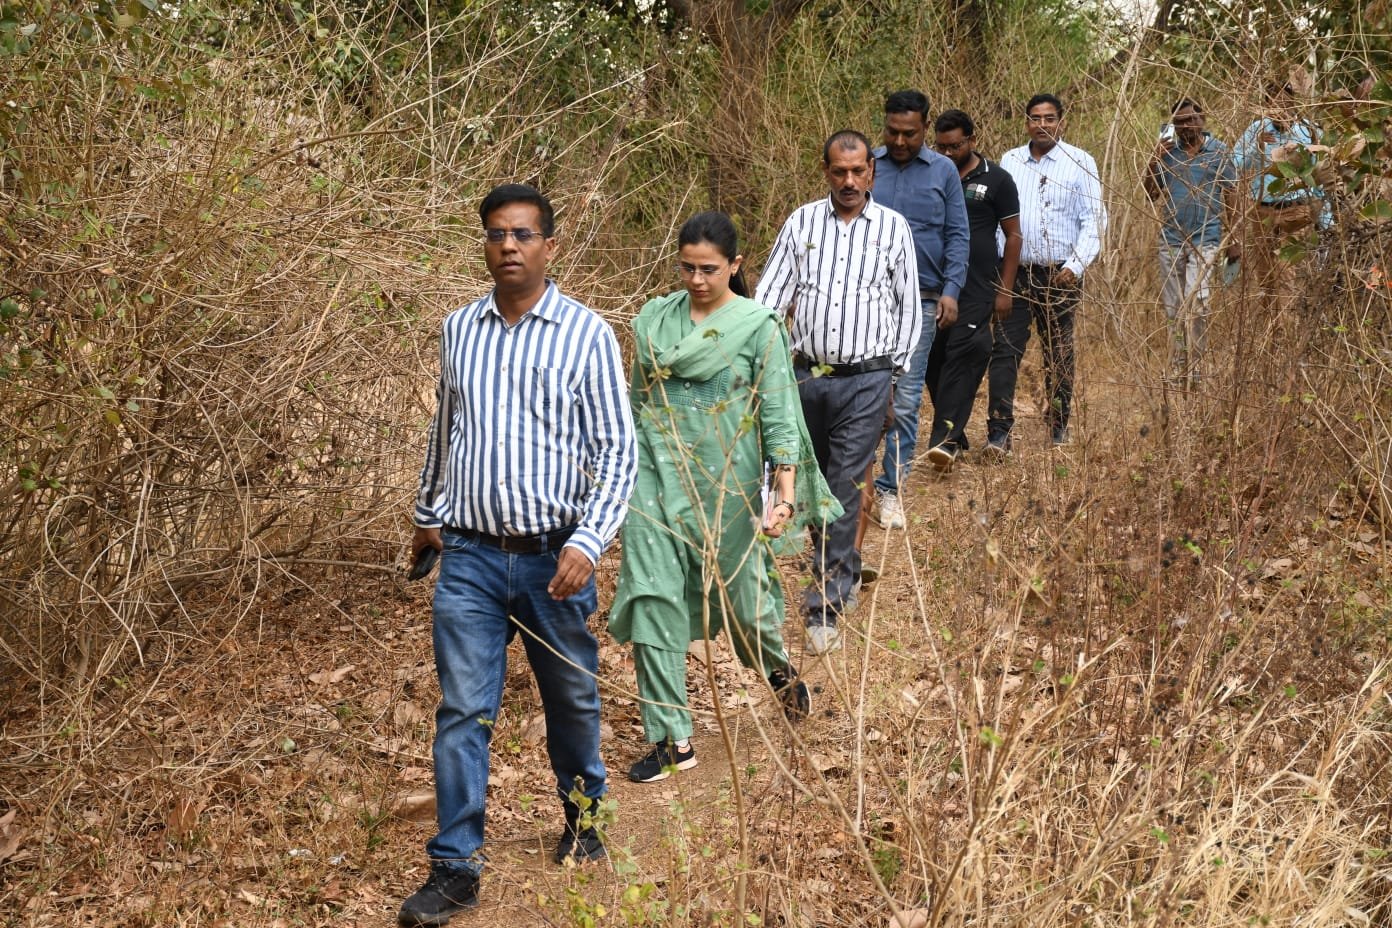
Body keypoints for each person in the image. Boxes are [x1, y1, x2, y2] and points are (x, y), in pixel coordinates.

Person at [400, 183, 637, 926]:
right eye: (498, 234)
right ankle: (455, 866)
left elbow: (619, 450)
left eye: (525, 234)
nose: (510, 245)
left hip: (552, 559)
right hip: (469, 556)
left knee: (570, 698)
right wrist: (426, 514)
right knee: (464, 709)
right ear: (484, 243)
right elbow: (447, 433)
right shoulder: (457, 330)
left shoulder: (587, 335)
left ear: (550, 246)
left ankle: (584, 815)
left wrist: (588, 541)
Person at [609, 211, 839, 782]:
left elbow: (779, 414)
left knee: (743, 605)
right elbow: (637, 404)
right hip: (653, 481)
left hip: (725, 487)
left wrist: (782, 497)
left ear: (734, 266)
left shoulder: (758, 326)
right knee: (651, 598)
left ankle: (778, 670)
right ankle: (672, 740)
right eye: (685, 267)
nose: (695, 279)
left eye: (708, 269)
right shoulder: (654, 320)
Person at [756, 130, 921, 655]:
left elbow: (908, 311)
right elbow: (769, 299)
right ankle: (843, 568)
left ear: (871, 172)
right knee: (813, 484)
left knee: (846, 485)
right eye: (838, 173)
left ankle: (823, 605)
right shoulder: (801, 223)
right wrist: (762, 364)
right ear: (825, 172)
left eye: (857, 172)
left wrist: (893, 380)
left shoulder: (893, 228)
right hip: (806, 376)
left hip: (868, 378)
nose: (848, 182)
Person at [867, 90, 969, 526]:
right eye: (892, 131)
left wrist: (951, 290)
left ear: (925, 128)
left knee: (906, 399)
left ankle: (890, 490)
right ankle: (854, 490)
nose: (900, 140)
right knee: (865, 396)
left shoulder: (944, 171)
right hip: (866, 300)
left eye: (909, 133)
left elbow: (957, 234)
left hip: (924, 301)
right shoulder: (866, 165)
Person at [986, 93, 1105, 451]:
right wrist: (1000, 266)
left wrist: (1075, 266)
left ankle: (1058, 425)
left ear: (1061, 121)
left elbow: (1094, 220)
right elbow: (998, 220)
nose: (1042, 125)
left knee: (1059, 351)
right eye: (1035, 118)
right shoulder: (1010, 161)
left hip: (1060, 276)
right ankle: (999, 432)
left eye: (1049, 118)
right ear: (1026, 122)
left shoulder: (1080, 162)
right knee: (1005, 350)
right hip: (1017, 274)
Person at [922, 108, 1022, 466]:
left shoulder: (997, 179)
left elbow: (1013, 237)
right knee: (933, 358)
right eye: (942, 146)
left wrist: (1005, 290)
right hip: (935, 281)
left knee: (964, 356)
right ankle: (956, 427)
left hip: (978, 284)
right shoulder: (930, 174)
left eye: (955, 145)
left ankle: (945, 440)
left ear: (972, 140)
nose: (948, 153)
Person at [1143, 98, 1241, 385]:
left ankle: (1195, 370)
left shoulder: (1219, 152)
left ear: (1202, 119)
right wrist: (1154, 160)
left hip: (1206, 240)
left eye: (1191, 119)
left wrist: (1235, 238)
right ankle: (1177, 367)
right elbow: (1150, 195)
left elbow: (1231, 194)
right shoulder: (1168, 154)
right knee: (1174, 307)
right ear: (1173, 125)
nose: (1187, 126)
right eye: (1180, 121)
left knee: (1197, 303)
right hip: (1171, 239)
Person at [1233, 72, 1327, 315]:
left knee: (1287, 275)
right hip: (1263, 211)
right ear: (1266, 106)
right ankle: (1269, 336)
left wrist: (1327, 220)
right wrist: (1258, 147)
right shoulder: (1256, 130)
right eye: (1273, 105)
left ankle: (1287, 336)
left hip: (1297, 211)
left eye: (1285, 104)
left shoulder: (1309, 131)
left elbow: (1322, 175)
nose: (1280, 110)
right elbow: (1235, 162)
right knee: (1266, 278)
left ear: (1293, 103)